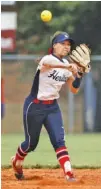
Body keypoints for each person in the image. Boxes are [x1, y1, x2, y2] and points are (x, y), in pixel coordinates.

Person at [11, 31, 84, 181]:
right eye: (63, 43)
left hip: (52, 108)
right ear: (54, 45)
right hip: (34, 106)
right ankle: (16, 161)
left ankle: (68, 173)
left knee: (59, 140)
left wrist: (79, 76)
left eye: (68, 44)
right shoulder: (48, 58)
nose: (66, 47)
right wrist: (68, 67)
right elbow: (47, 64)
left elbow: (74, 89)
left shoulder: (66, 65)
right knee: (31, 143)